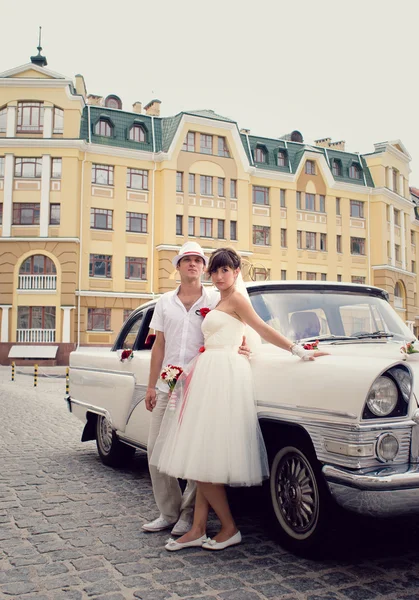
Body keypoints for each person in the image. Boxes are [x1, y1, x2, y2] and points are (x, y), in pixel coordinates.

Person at [150, 247, 328, 551]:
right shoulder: (217, 300)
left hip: (222, 376)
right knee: (202, 456)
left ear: (236, 272)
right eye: (216, 271)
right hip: (206, 372)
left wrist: (298, 350)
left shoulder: (236, 299)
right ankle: (196, 528)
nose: (220, 276)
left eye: (225, 270)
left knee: (202, 458)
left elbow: (261, 328)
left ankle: (229, 528)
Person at [143, 242, 250, 536]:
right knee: (155, 448)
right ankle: (168, 512)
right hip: (167, 383)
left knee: (194, 450)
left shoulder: (218, 296)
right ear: (177, 266)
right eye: (186, 260)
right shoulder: (164, 301)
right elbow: (159, 346)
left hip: (201, 384)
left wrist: (242, 345)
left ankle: (188, 516)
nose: (192, 264)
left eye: (198, 260)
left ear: (204, 268)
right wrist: (151, 386)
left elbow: (238, 324)